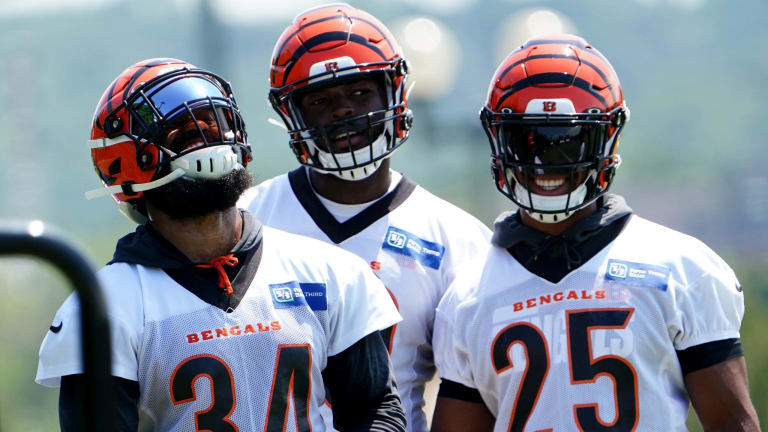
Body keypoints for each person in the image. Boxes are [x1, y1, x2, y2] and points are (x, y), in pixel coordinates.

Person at [35, 58, 407, 432]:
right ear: (130, 164)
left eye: (213, 128)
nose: (207, 145)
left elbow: (375, 411)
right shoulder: (106, 307)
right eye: (183, 137)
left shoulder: (329, 271)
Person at [431, 34, 760, 432]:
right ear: (499, 140)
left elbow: (732, 423)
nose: (543, 163)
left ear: (607, 137)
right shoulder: (467, 296)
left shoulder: (682, 270)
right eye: (526, 140)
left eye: (565, 142)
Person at [238, 4, 491, 432]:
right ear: (291, 113)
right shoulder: (247, 218)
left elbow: (470, 396)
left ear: (394, 93)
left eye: (359, 93)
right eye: (320, 100)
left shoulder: (457, 239)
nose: (342, 111)